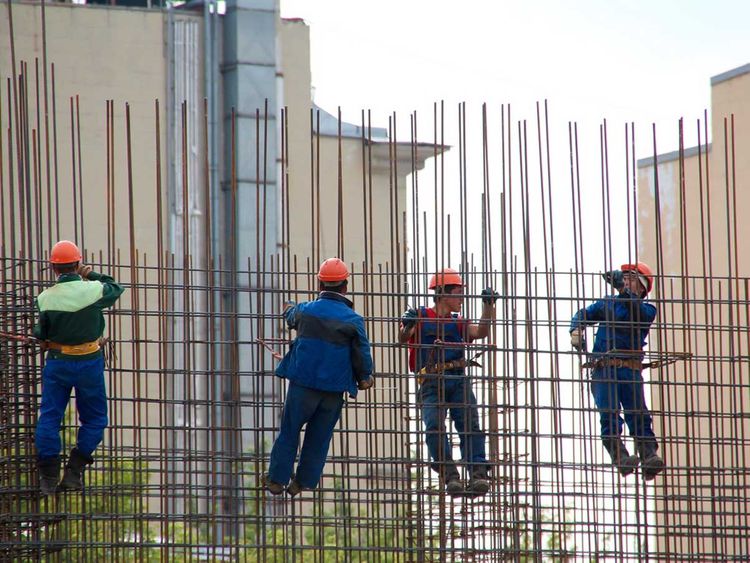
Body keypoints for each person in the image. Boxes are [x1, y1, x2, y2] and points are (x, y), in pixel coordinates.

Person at [264, 258, 374, 497]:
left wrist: (288, 306)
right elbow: (362, 352)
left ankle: (276, 479)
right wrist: (365, 377)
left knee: (290, 431)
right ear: (345, 287)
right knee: (319, 437)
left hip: (303, 385)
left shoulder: (306, 310)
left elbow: (291, 316)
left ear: (319, 284)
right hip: (333, 390)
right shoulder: (353, 319)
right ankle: (304, 482)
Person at [33, 240, 125, 495]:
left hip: (58, 362)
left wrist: (45, 337)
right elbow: (116, 287)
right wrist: (90, 273)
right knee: (95, 419)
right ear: (77, 263)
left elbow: (41, 331)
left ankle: (48, 477)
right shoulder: (93, 290)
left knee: (50, 417)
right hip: (89, 362)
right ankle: (74, 470)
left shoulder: (45, 298)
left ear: (53, 267)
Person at [399, 268, 498, 497]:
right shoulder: (421, 315)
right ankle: (449, 474)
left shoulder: (459, 323)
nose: (462, 298)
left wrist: (488, 306)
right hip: (431, 381)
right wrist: (409, 323)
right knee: (434, 426)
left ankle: (477, 474)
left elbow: (481, 331)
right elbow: (404, 337)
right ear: (443, 293)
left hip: (458, 380)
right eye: (458, 293)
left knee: (469, 425)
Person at [570, 261, 665, 480]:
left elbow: (636, 310)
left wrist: (622, 290)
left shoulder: (647, 309)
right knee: (609, 414)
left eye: (630, 278)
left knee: (638, 414)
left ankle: (648, 456)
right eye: (624, 277)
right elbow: (584, 314)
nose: (625, 280)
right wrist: (576, 328)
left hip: (629, 371)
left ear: (642, 287)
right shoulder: (608, 304)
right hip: (605, 370)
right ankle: (620, 457)